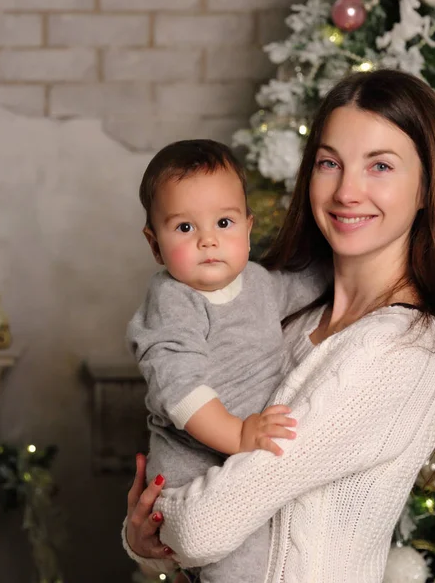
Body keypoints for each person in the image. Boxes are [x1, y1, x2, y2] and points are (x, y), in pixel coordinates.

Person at [123, 69, 435, 582]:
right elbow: (177, 516)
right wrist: (138, 536)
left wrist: (157, 525)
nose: (348, 191)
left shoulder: (402, 349)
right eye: (330, 163)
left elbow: (199, 531)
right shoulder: (285, 309)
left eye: (380, 166)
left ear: (424, 190)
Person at [124, 139, 326, 582]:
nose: (208, 239)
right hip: (191, 465)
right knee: (241, 566)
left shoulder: (257, 282)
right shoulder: (173, 299)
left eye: (223, 222)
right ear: (155, 245)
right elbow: (179, 390)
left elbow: (308, 283)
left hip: (241, 451)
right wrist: (238, 433)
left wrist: (345, 265)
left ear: (248, 229)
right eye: (183, 228)